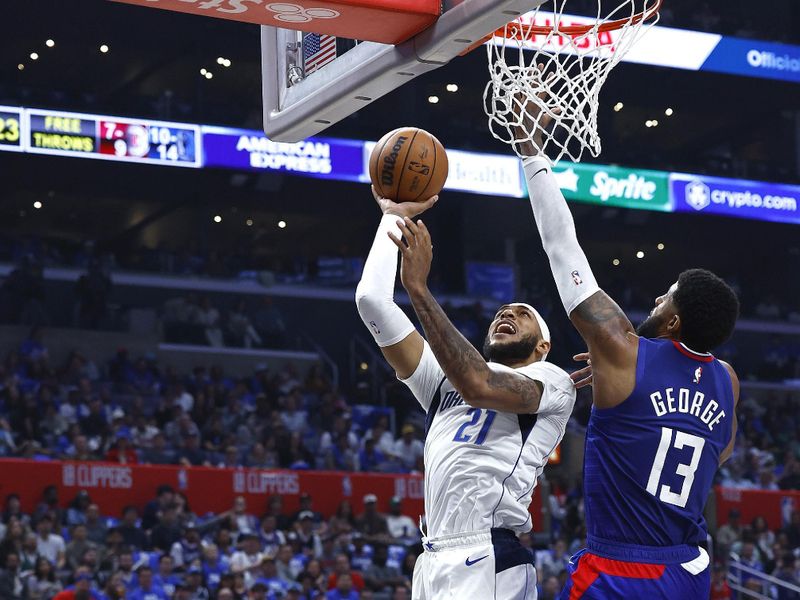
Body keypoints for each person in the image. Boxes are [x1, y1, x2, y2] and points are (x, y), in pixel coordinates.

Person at [516, 106, 740, 598]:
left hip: (621, 570)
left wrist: (532, 152)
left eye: (665, 298)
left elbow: (563, 250)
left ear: (675, 321)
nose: (656, 302)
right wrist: (638, 402)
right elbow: (714, 451)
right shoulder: (727, 379)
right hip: (687, 571)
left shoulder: (624, 352)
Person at [355, 188, 576, 599]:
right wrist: (393, 216)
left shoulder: (553, 381)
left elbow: (480, 386)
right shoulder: (443, 377)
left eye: (522, 314)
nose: (506, 313)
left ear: (543, 346)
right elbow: (371, 302)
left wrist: (419, 290)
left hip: (488, 550)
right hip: (433, 553)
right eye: (500, 312)